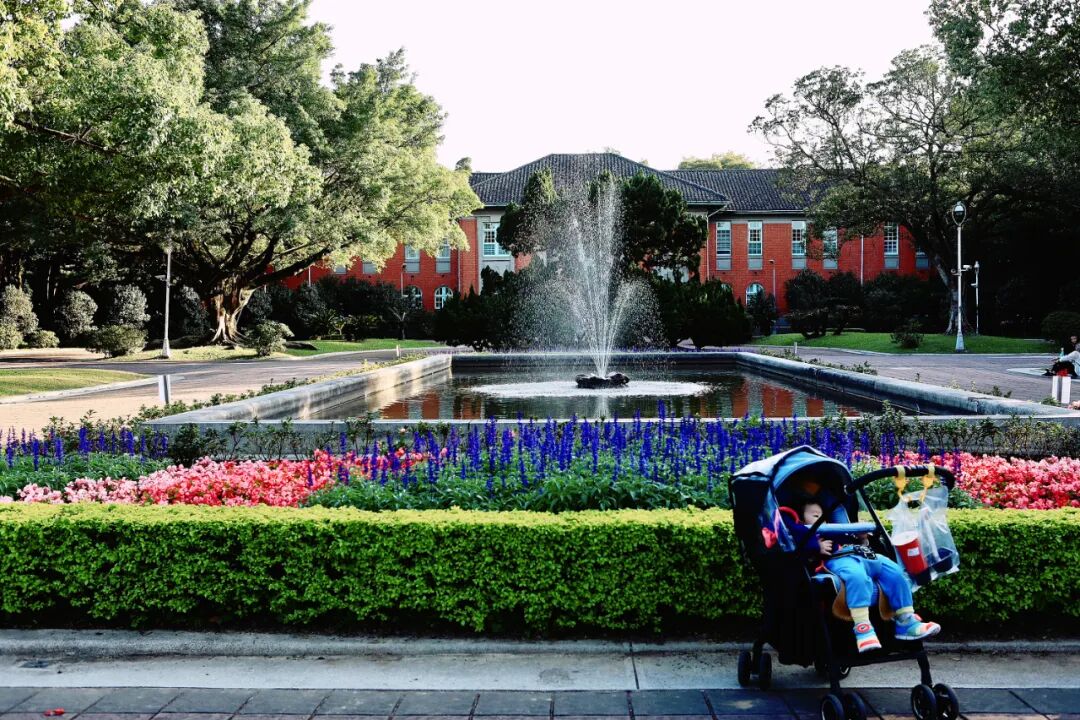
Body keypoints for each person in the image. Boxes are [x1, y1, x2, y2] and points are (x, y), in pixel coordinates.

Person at [800, 500, 941, 652]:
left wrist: (862, 538)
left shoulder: (836, 532)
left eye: (823, 516)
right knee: (858, 577)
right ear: (802, 520)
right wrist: (816, 547)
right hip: (840, 560)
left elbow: (863, 546)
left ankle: (906, 622)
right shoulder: (807, 535)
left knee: (895, 572)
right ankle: (863, 627)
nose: (822, 520)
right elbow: (799, 547)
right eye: (816, 516)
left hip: (865, 555)